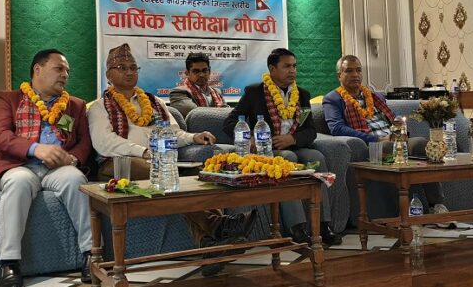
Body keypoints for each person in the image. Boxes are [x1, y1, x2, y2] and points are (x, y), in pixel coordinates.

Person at [88, 43, 256, 275]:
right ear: (108, 74)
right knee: (162, 172)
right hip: (119, 163)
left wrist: (193, 137)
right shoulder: (99, 107)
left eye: (133, 67)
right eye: (122, 67)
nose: (129, 72)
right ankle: (221, 225)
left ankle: (209, 246)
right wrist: (143, 152)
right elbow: (104, 142)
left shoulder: (154, 101)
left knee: (198, 175)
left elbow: (173, 133)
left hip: (160, 160)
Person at [0, 49, 92, 287]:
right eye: (59, 69)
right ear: (38, 69)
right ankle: (9, 263)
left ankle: (91, 255)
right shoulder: (10, 99)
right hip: (20, 165)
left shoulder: (75, 105)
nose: (65, 75)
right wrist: (36, 149)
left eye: (67, 71)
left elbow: (84, 142)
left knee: (76, 180)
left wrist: (72, 159)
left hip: (59, 169)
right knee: (19, 183)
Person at [223, 47, 341, 245]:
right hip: (268, 149)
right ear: (272, 69)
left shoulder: (302, 94)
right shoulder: (254, 92)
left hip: (294, 144)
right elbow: (229, 122)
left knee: (317, 158)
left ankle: (323, 225)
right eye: (287, 66)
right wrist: (249, 139)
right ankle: (297, 228)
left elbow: (310, 130)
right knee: (287, 159)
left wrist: (292, 139)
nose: (292, 71)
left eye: (294, 66)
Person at [323, 54, 447, 218]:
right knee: (390, 148)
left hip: (394, 137)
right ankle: (404, 213)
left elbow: (393, 118)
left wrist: (400, 128)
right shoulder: (333, 99)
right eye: (349, 71)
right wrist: (377, 139)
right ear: (339, 75)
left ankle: (436, 205)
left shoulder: (374, 96)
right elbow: (337, 129)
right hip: (371, 144)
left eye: (358, 70)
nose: (355, 75)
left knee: (422, 144)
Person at [169, 52, 228, 118]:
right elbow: (197, 115)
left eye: (205, 70)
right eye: (196, 71)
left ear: (209, 72)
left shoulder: (217, 92)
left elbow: (228, 113)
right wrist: (222, 112)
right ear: (187, 73)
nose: (201, 75)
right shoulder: (178, 93)